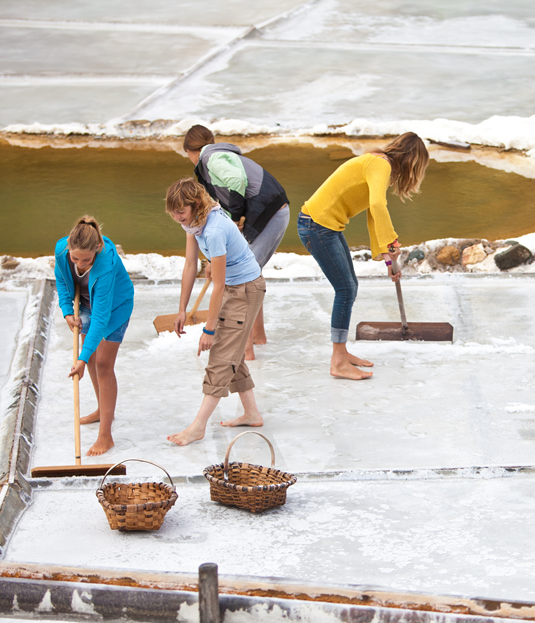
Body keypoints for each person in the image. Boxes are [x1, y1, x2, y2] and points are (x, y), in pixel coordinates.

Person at [297, 131, 429, 380]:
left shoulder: (376, 162)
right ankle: (338, 361)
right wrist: (391, 241)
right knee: (345, 289)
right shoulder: (380, 164)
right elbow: (379, 206)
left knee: (350, 287)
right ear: (413, 161)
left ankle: (342, 353)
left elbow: (372, 215)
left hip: (323, 225)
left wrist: (389, 259)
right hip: (317, 225)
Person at [164, 178, 267, 445]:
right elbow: (190, 266)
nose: (178, 218)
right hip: (234, 286)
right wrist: (182, 310)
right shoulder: (193, 224)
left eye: (181, 212)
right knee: (232, 352)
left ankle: (198, 427)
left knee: (221, 356)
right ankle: (252, 412)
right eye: (173, 213)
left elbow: (218, 286)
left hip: (245, 290)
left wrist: (208, 329)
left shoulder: (214, 230)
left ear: (195, 205)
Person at [183, 124, 289, 361]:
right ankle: (257, 335)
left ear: (190, 150)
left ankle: (246, 348)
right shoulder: (220, 155)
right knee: (252, 271)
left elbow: (236, 181)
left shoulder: (210, 158)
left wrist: (235, 217)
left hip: (270, 213)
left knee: (244, 276)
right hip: (272, 211)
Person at [53, 216, 134, 456]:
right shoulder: (61, 249)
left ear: (97, 249)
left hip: (115, 307)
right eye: (74, 258)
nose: (79, 264)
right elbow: (61, 279)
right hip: (85, 303)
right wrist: (67, 310)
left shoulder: (106, 262)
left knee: (102, 363)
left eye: (86, 259)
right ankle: (101, 409)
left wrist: (80, 357)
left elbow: (101, 318)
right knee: (90, 361)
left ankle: (106, 436)